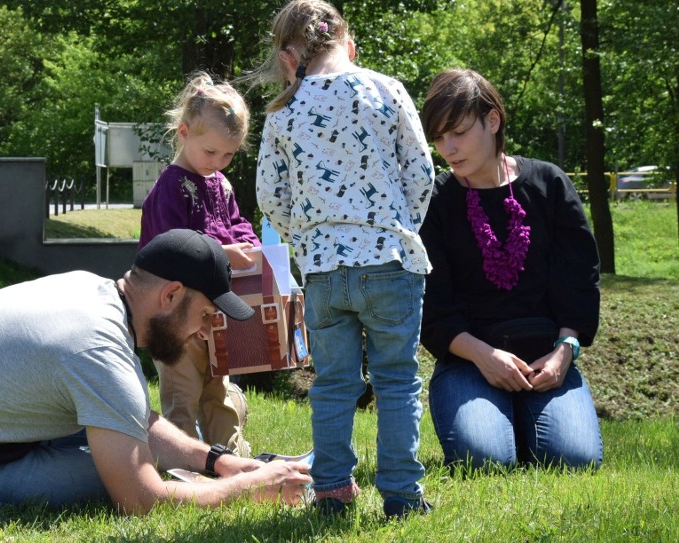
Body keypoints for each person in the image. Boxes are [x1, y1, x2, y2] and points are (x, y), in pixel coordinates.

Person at [0, 229, 311, 514]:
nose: (207, 332)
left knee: (130, 446)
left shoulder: (87, 291)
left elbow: (125, 415)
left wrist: (218, 462)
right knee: (127, 474)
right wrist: (252, 487)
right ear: (170, 296)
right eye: (208, 315)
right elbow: (141, 501)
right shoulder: (97, 348)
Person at [252, 0, 435, 519]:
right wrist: (400, 230)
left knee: (333, 383)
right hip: (389, 260)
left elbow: (271, 195)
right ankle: (401, 495)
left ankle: (332, 490)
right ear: (349, 45)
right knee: (397, 380)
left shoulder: (283, 112)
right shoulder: (386, 89)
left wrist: (305, 240)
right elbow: (420, 173)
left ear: (289, 57)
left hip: (324, 272)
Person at [418, 68, 603, 470]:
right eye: (438, 137)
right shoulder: (434, 200)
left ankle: (525, 417)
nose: (448, 148)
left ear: (492, 120)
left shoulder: (548, 184)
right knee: (482, 460)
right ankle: (495, 421)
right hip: (469, 362)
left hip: (546, 361)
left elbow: (579, 278)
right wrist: (484, 356)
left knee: (574, 460)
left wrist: (564, 352)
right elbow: (431, 307)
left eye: (459, 132)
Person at [138, 72, 260, 457]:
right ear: (184, 132)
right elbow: (178, 247)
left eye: (228, 155)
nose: (219, 162)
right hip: (175, 319)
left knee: (219, 391)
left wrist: (251, 246)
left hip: (213, 313)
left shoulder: (219, 183)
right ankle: (180, 465)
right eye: (211, 153)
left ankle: (232, 460)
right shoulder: (170, 188)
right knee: (181, 394)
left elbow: (237, 223)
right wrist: (225, 253)